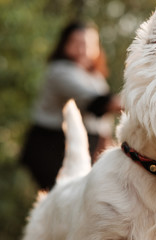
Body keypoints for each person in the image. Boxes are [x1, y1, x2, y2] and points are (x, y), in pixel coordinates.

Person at [20, 20, 122, 190]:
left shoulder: (95, 77)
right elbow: (99, 103)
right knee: (61, 199)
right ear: (64, 44)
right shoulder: (60, 71)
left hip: (83, 146)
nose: (83, 49)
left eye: (89, 44)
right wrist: (141, 102)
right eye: (77, 43)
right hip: (52, 146)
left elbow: (102, 120)